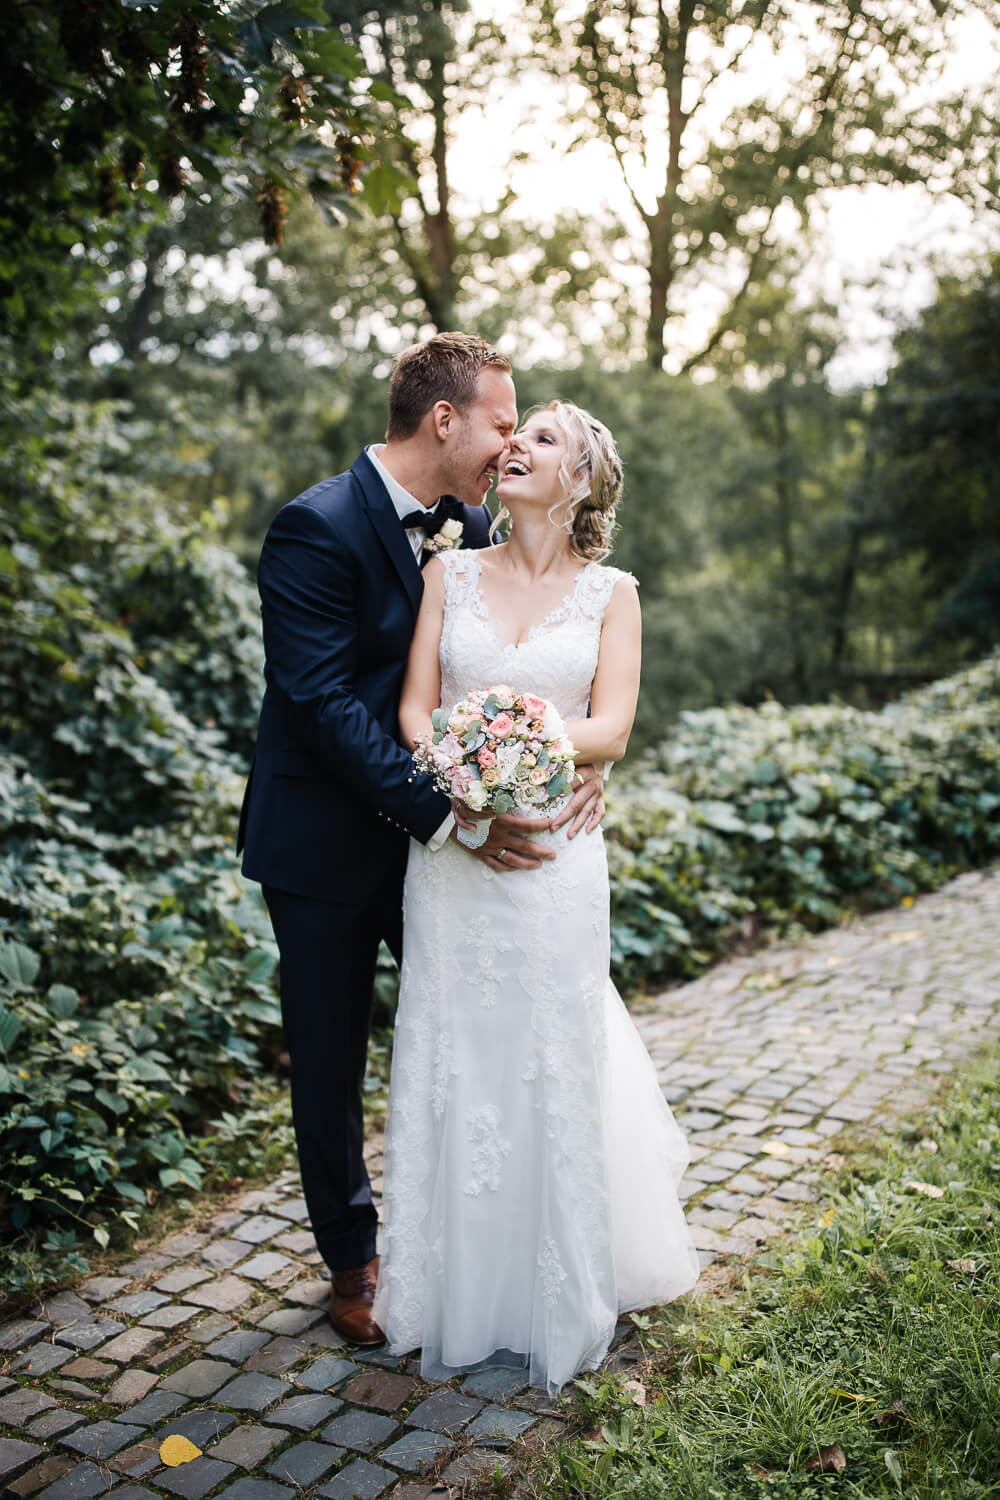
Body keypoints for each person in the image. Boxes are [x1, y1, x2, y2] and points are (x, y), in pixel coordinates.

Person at [237, 335, 606, 1346]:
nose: (507, 442)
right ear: (445, 420)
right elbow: (318, 703)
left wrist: (572, 750)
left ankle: (489, 1245)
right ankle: (353, 1265)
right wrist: (449, 810)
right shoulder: (311, 528)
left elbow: (518, 666)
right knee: (328, 1057)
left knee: (475, 1035)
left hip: (444, 850)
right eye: (501, 420)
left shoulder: (477, 525)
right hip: (324, 843)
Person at [373, 400, 699, 1393]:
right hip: (455, 857)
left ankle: (554, 1286)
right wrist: (468, 795)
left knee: (547, 1051)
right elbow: (414, 710)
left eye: (543, 439)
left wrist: (526, 750)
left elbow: (611, 728)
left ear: (583, 480)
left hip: (557, 854)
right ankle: (450, 1291)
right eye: (515, 435)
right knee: (458, 1051)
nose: (514, 445)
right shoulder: (447, 571)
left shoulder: (613, 594)